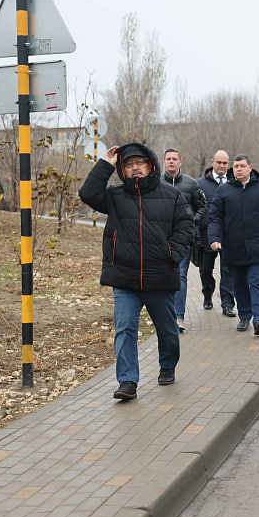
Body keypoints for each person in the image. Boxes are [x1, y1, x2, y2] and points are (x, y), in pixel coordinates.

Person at [79, 143, 195, 400]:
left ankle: (167, 365)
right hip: (125, 278)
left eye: (139, 163)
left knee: (166, 329)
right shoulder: (115, 196)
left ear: (151, 165)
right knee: (125, 329)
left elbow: (186, 226)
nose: (135, 168)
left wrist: (171, 254)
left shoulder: (171, 195)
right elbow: (87, 194)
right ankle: (128, 381)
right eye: (129, 164)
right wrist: (105, 164)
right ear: (123, 169)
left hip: (159, 277)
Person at [208, 155, 259, 334]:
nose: (238, 169)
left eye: (242, 166)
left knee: (255, 281)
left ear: (250, 167)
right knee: (239, 284)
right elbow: (215, 216)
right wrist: (214, 238)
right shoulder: (224, 190)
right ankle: (245, 316)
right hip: (233, 247)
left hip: (257, 245)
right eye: (235, 166)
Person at [161, 148, 208, 333]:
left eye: (175, 159)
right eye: (168, 159)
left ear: (181, 162)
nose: (171, 161)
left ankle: (178, 317)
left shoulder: (191, 184)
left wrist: (192, 222)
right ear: (164, 162)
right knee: (163, 276)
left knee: (180, 274)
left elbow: (203, 206)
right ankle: (165, 316)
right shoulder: (156, 183)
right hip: (160, 237)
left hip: (183, 237)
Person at [197, 150, 236, 317]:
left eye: (225, 163)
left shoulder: (234, 183)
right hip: (206, 235)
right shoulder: (200, 184)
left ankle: (227, 304)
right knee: (206, 269)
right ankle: (207, 294)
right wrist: (197, 232)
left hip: (229, 236)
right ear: (212, 161)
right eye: (219, 162)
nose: (222, 166)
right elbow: (196, 209)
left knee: (228, 270)